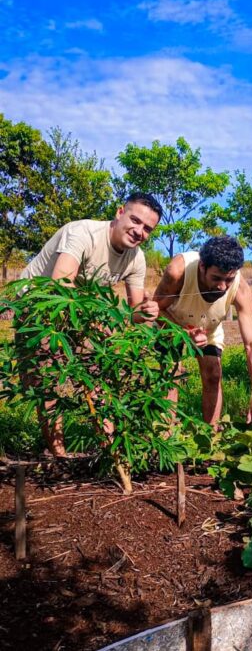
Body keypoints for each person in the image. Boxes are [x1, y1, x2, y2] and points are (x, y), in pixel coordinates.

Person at [20, 192, 163, 455]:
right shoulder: (82, 232)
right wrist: (95, 323)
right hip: (37, 303)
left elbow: (133, 314)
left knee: (100, 372)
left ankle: (110, 452)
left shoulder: (136, 258)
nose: (139, 231)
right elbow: (60, 286)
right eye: (135, 220)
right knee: (49, 381)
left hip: (82, 311)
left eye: (147, 229)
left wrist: (147, 311)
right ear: (120, 212)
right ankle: (59, 456)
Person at [154, 236, 252, 429]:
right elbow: (156, 309)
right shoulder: (178, 271)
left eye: (229, 279)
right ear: (202, 266)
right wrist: (184, 333)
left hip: (208, 327)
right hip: (172, 324)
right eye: (216, 278)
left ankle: (210, 436)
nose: (222, 286)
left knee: (213, 374)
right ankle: (166, 437)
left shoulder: (240, 287)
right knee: (170, 375)